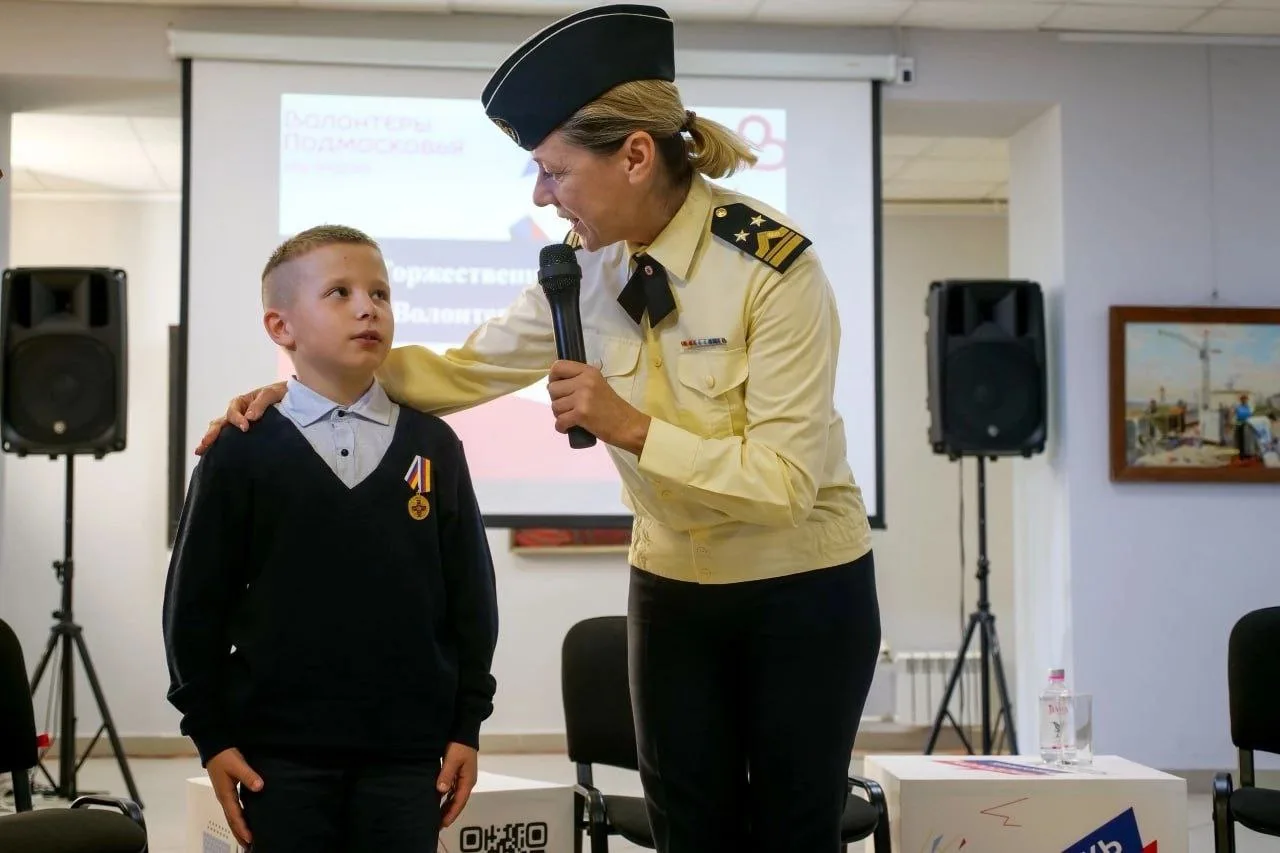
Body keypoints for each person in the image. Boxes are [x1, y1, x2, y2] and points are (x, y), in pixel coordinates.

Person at [200, 5, 881, 851]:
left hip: (803, 586)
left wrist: (630, 425)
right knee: (687, 827)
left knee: (792, 827)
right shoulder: (582, 274)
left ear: (634, 155)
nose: (540, 195)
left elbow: (785, 485)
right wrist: (299, 391)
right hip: (673, 586)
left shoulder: (776, 273)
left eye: (553, 171)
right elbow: (456, 372)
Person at [166, 224, 499, 853]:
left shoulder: (434, 446)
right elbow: (194, 605)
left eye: (380, 292)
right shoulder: (239, 449)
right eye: (339, 293)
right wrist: (212, 735)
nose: (368, 307)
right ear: (280, 328)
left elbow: (471, 601)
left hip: (409, 755)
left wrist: (466, 725)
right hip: (278, 756)